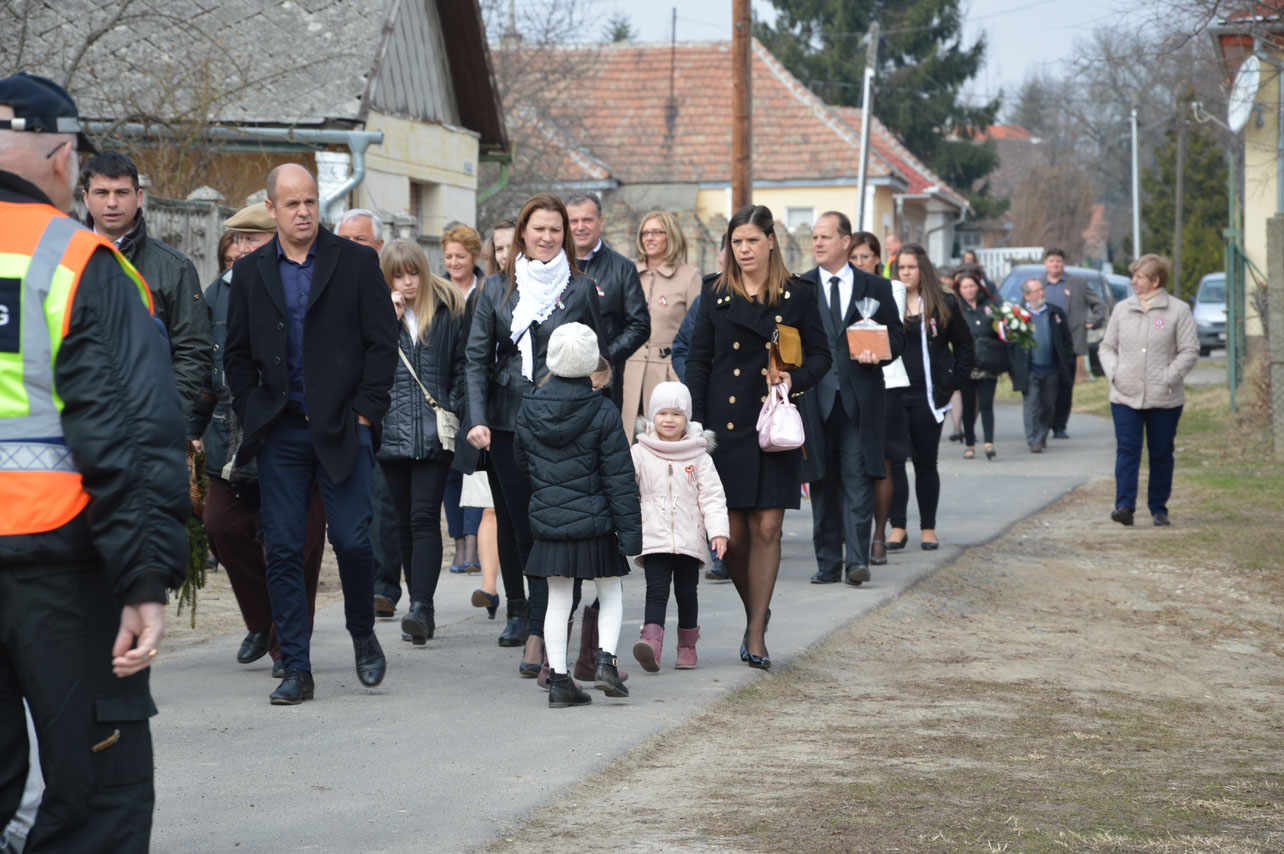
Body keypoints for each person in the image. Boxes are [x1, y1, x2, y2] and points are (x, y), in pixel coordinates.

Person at [0, 72, 188, 851]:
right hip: (60, 572)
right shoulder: (78, 261)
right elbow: (131, 432)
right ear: (63, 157)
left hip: (53, 561)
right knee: (95, 791)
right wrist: (144, 578)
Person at [224, 163, 398, 705]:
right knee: (282, 548)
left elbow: (382, 343)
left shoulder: (356, 261)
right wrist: (254, 409)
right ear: (271, 209)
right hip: (280, 432)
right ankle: (296, 667)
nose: (303, 212)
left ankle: (362, 633)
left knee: (352, 539)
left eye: (310, 201)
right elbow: (236, 354)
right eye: (292, 203)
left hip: (344, 426)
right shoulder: (250, 272)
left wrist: (366, 412)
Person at [464, 194, 606, 671]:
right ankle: (533, 624)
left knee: (562, 526)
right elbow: (475, 360)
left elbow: (597, 359)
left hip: (566, 425)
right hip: (507, 424)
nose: (547, 237)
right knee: (523, 527)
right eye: (538, 229)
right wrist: (477, 418)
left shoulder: (582, 289)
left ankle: (550, 631)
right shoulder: (495, 289)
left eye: (555, 230)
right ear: (522, 232)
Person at [685, 204, 831, 668]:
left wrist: (794, 379)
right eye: (736, 242)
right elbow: (698, 361)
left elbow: (822, 355)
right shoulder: (715, 292)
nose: (744, 249)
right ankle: (757, 613)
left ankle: (755, 635)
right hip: (724, 428)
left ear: (771, 241)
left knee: (768, 526)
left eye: (752, 240)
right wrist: (696, 424)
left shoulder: (798, 294)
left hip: (772, 424)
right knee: (731, 538)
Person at [191, 202, 326, 676]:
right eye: (239, 239)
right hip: (232, 437)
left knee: (297, 546)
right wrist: (193, 427)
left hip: (300, 433)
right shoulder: (216, 294)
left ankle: (289, 650)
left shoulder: (309, 281)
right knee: (222, 526)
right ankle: (264, 618)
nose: (243, 247)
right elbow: (203, 362)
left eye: (253, 238)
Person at [514, 323, 641, 707]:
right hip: (596, 521)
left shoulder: (529, 408)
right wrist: (631, 536)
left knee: (557, 599)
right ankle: (605, 663)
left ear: (552, 360)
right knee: (610, 592)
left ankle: (558, 680)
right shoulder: (602, 410)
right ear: (590, 362)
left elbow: (522, 462)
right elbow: (620, 478)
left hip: (551, 522)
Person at [799, 213, 904, 586]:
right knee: (822, 483)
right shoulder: (801, 286)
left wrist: (881, 352)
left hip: (859, 401)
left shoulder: (875, 286)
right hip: (815, 400)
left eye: (825, 237)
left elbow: (897, 336)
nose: (817, 243)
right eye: (814, 237)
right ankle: (828, 563)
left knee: (858, 481)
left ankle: (857, 561)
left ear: (845, 241)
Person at [376, 239, 467, 644]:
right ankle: (419, 609)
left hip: (435, 431)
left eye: (413, 273)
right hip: (390, 430)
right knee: (403, 524)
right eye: (398, 276)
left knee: (425, 517)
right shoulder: (376, 313)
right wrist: (387, 321)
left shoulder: (448, 308)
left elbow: (463, 365)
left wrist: (454, 407)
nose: (408, 282)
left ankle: (422, 607)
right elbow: (366, 366)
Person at [80, 150, 212, 424]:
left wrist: (166, 415)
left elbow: (192, 351)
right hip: (77, 420)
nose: (112, 202)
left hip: (148, 423)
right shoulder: (60, 258)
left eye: (122, 192)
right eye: (102, 192)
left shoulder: (174, 267)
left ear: (139, 197)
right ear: (86, 198)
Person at [334, 209, 405, 622]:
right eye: (344, 238)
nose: (350, 247)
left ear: (378, 246)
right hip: (338, 416)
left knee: (384, 504)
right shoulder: (325, 285)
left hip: (385, 414)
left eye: (359, 240)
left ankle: (385, 587)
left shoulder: (393, 288)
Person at [630, 383, 728, 671]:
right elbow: (624, 487)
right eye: (662, 413)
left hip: (689, 537)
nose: (669, 420)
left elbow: (712, 497)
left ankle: (687, 646)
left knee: (687, 593)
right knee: (656, 590)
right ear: (652, 416)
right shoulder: (640, 452)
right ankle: (651, 643)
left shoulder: (699, 456)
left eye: (676, 414)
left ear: (687, 419)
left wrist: (718, 532)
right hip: (653, 535)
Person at [1098, 254, 1198, 527]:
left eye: (1139, 276)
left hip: (1165, 397)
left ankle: (1158, 508)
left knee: (1161, 453)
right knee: (1127, 450)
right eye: (1134, 276)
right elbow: (1106, 347)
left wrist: (1169, 377)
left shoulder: (1178, 310)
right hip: (1124, 395)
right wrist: (1115, 373)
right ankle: (1124, 506)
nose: (1133, 281)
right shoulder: (1122, 309)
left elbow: (1190, 350)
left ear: (1155, 280)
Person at [890, 244, 974, 550]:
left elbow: (965, 347)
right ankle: (897, 527)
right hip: (894, 396)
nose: (906, 273)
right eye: (901, 268)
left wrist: (951, 383)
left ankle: (928, 528)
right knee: (895, 463)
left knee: (926, 463)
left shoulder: (943, 303)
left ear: (922, 269)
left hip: (929, 398)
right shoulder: (888, 301)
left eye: (911, 267)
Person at [460, 220, 517, 620]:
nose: (505, 254)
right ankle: (498, 593)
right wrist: (474, 416)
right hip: (492, 417)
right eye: (498, 248)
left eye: (512, 246)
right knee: (494, 510)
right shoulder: (485, 293)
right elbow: (472, 359)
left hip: (530, 413)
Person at [669, 236, 729, 582]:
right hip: (710, 403)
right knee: (710, 481)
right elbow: (683, 347)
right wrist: (694, 384)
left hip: (752, 407)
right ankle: (718, 554)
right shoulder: (707, 296)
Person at [849, 232, 910, 566]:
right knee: (851, 460)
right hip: (852, 383)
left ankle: (879, 535)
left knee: (883, 461)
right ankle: (853, 532)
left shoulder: (889, 288)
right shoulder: (841, 287)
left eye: (866, 257)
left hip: (888, 382)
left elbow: (894, 332)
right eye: (854, 257)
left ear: (877, 259)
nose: (860, 263)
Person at [566, 191, 650, 410]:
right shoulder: (551, 266)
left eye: (587, 220)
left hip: (604, 382)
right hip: (557, 377)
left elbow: (640, 324)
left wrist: (603, 358)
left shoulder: (623, 268)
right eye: (573, 221)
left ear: (600, 222)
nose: (580, 227)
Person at [623, 211, 702, 438]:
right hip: (628, 373)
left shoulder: (689, 277)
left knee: (666, 443)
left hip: (669, 374)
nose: (649, 237)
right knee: (626, 441)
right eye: (645, 233)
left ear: (671, 236)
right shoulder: (628, 271)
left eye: (657, 232)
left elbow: (697, 332)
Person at [440, 224, 486, 574]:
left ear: (474, 256)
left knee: (476, 468)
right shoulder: (437, 290)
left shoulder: (487, 288)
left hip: (478, 386)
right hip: (443, 388)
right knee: (450, 472)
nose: (454, 263)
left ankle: (473, 543)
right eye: (449, 257)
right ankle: (457, 542)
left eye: (461, 256)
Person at [1041, 248, 1106, 439]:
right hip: (1044, 344)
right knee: (1045, 386)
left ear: (1064, 263)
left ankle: (1060, 425)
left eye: (1059, 261)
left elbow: (1099, 305)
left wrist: (1093, 321)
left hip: (1069, 343)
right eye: (1051, 260)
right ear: (1045, 263)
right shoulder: (1037, 284)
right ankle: (1043, 423)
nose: (1055, 264)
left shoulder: (1077, 283)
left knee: (1065, 386)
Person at [1009, 279, 1075, 453]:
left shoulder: (1054, 312)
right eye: (1037, 290)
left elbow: (1066, 340)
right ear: (1027, 295)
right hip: (1030, 369)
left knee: (1048, 406)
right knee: (1031, 405)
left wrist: (1067, 361)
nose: (1041, 293)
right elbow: (1010, 345)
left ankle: (1042, 435)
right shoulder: (1017, 315)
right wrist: (1013, 367)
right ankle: (1033, 440)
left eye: (1042, 289)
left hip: (1051, 368)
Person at [953, 269, 1004, 460]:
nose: (969, 290)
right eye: (964, 287)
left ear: (978, 286)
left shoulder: (991, 305)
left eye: (972, 286)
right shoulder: (956, 308)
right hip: (966, 365)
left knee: (986, 404)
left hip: (988, 362)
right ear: (959, 290)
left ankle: (989, 443)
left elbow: (1001, 330)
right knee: (968, 406)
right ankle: (969, 443)